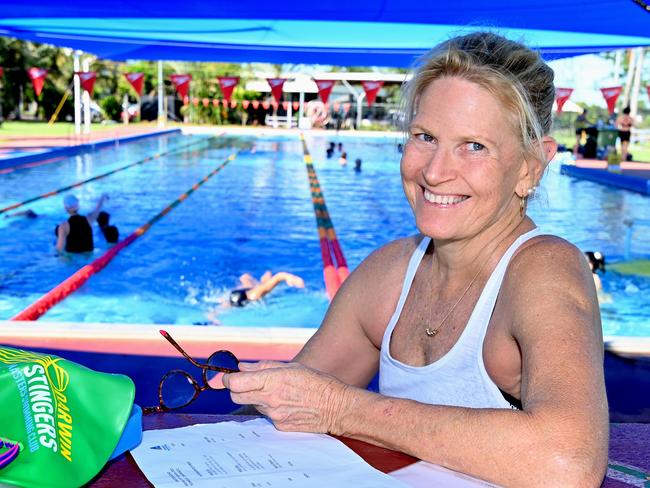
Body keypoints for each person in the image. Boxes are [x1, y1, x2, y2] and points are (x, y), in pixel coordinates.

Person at [223, 32, 608, 487]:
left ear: (529, 167)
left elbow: (570, 463)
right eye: (425, 137)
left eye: (474, 146)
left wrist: (343, 409)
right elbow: (287, 405)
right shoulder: (388, 274)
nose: (434, 172)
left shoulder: (542, 270)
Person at [228, 271, 304, 307]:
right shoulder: (254, 295)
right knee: (249, 280)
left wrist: (291, 278)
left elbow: (279, 276)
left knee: (262, 283)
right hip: (238, 294)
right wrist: (291, 278)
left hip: (238, 295)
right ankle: (265, 277)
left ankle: (266, 276)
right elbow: (278, 276)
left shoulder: (254, 295)